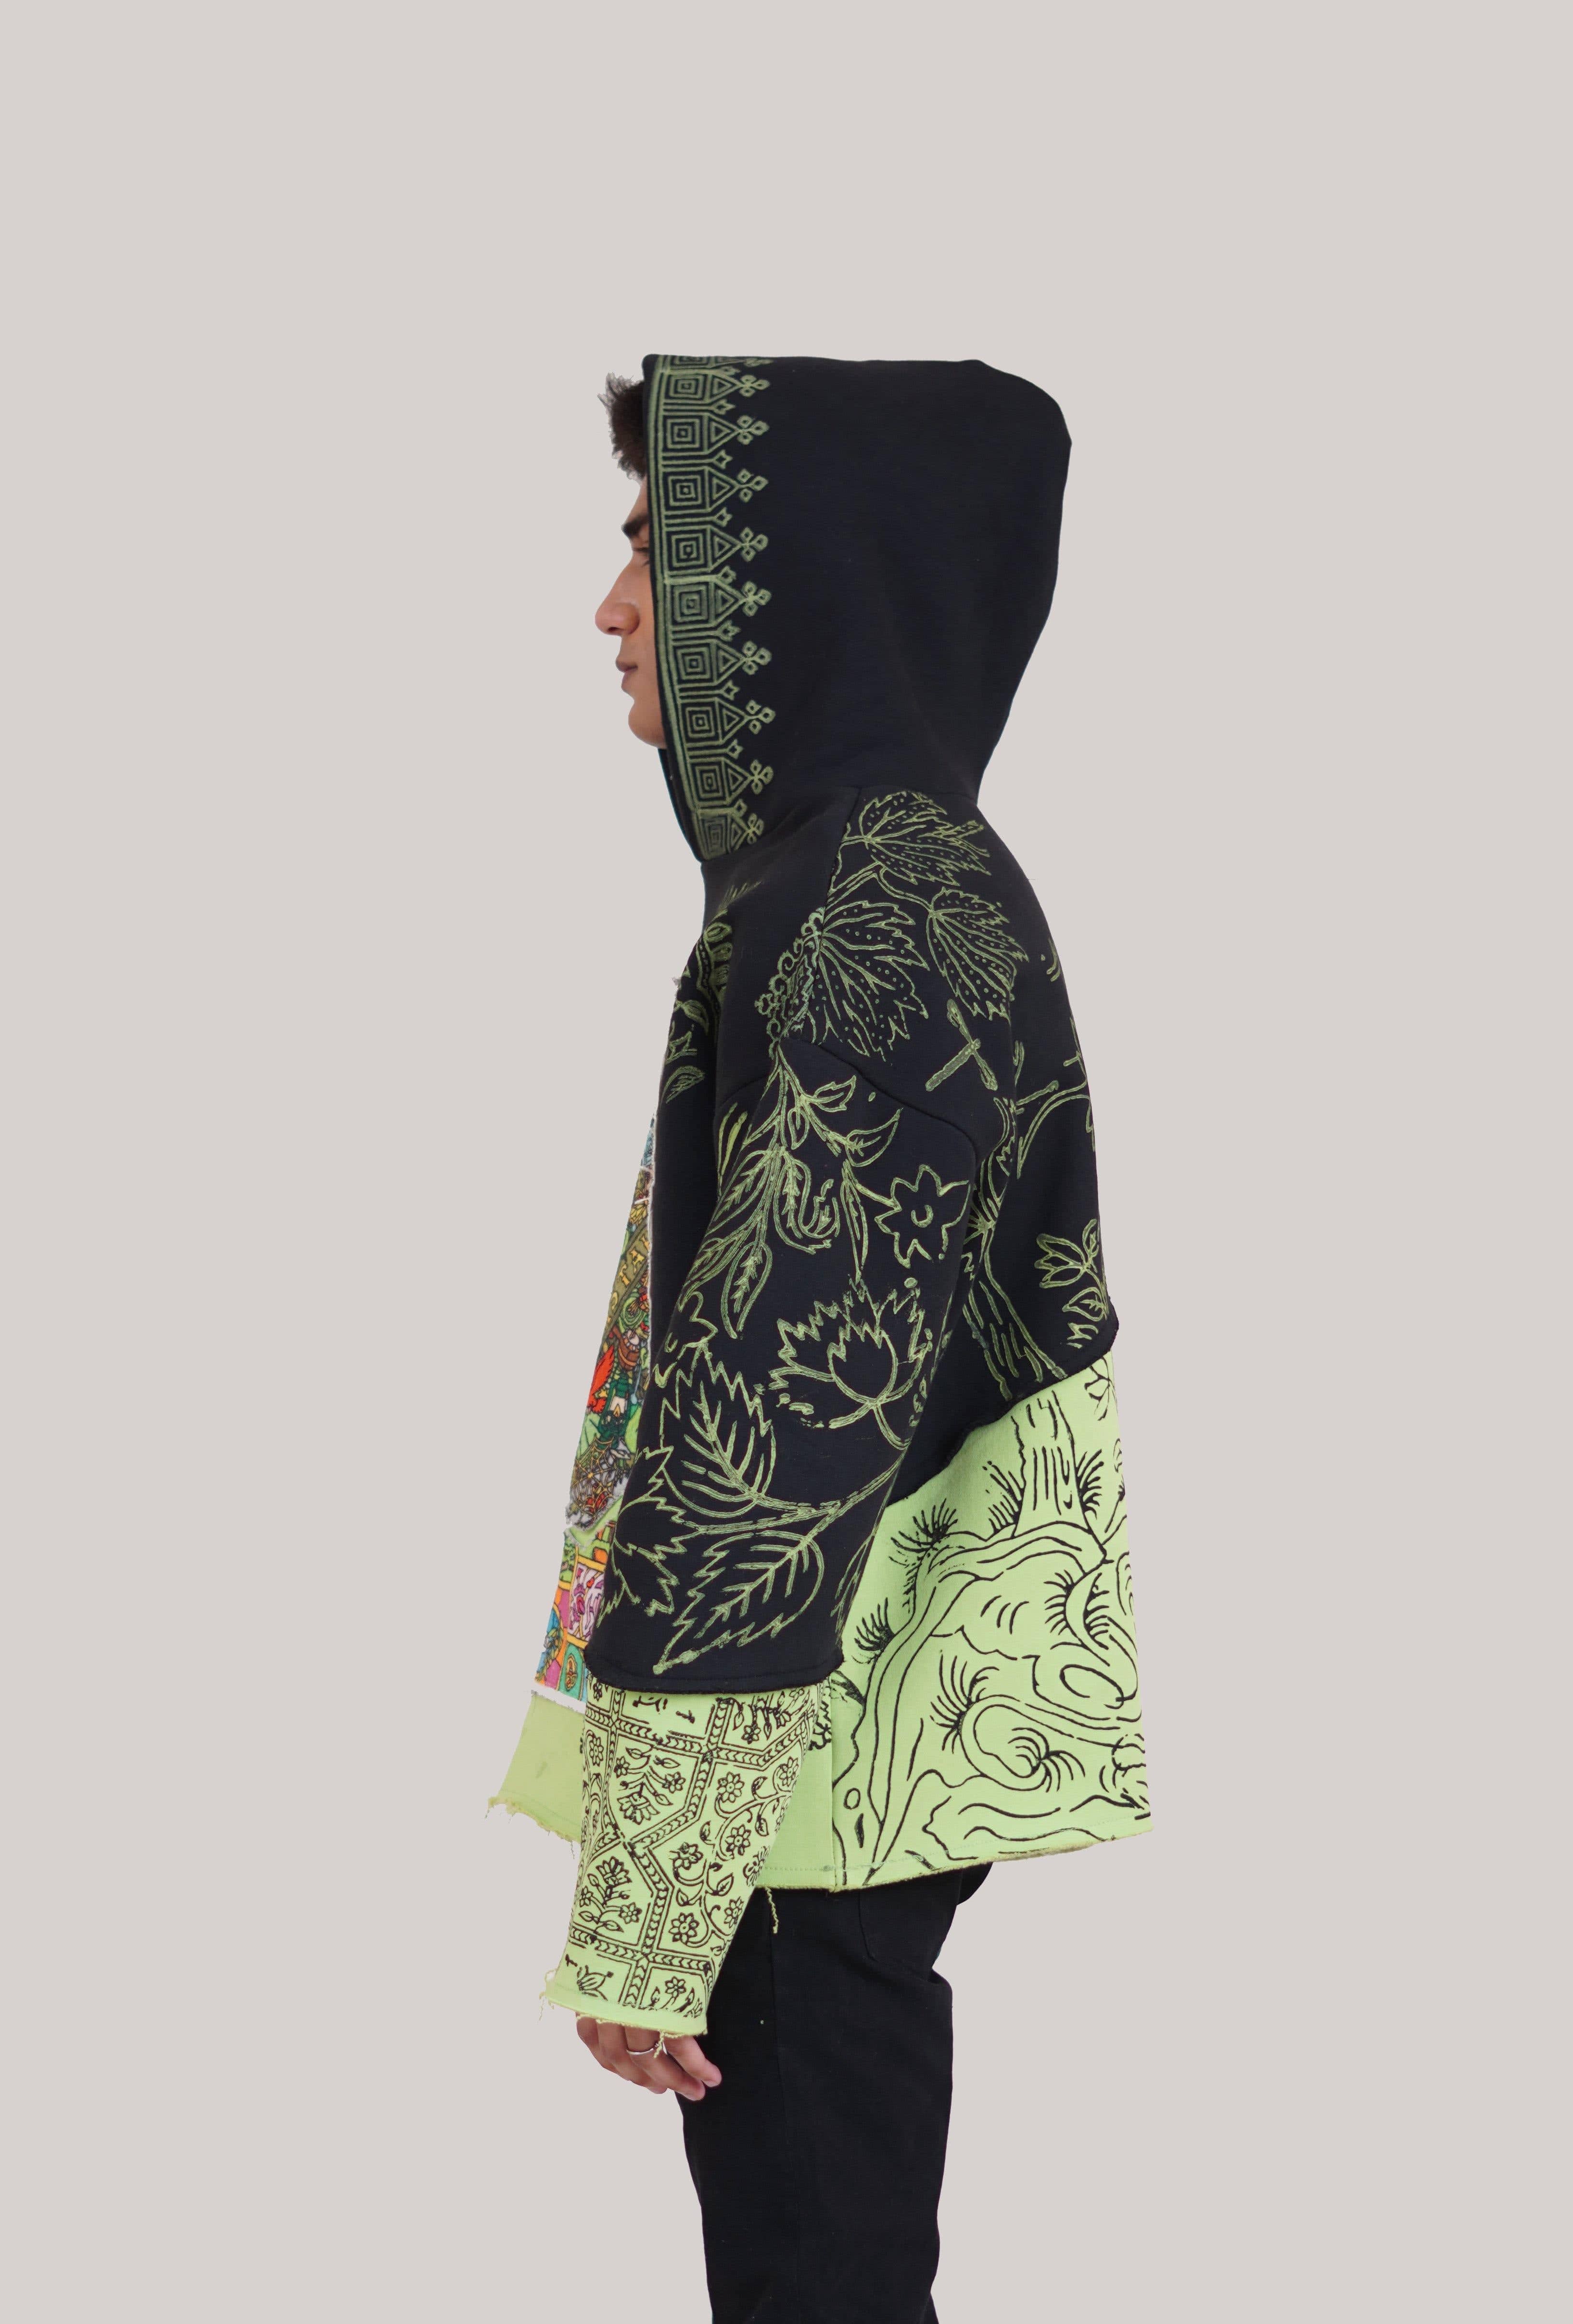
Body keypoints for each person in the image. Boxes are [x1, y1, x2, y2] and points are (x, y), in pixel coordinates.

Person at [493, 355, 1151, 2322]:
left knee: (819, 2281)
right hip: (833, 1741)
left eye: (656, 548)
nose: (615, 606)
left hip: (803, 1764)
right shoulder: (869, 877)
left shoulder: (869, 906)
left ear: (789, 583)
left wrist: (658, 1888)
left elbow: (780, 1427)